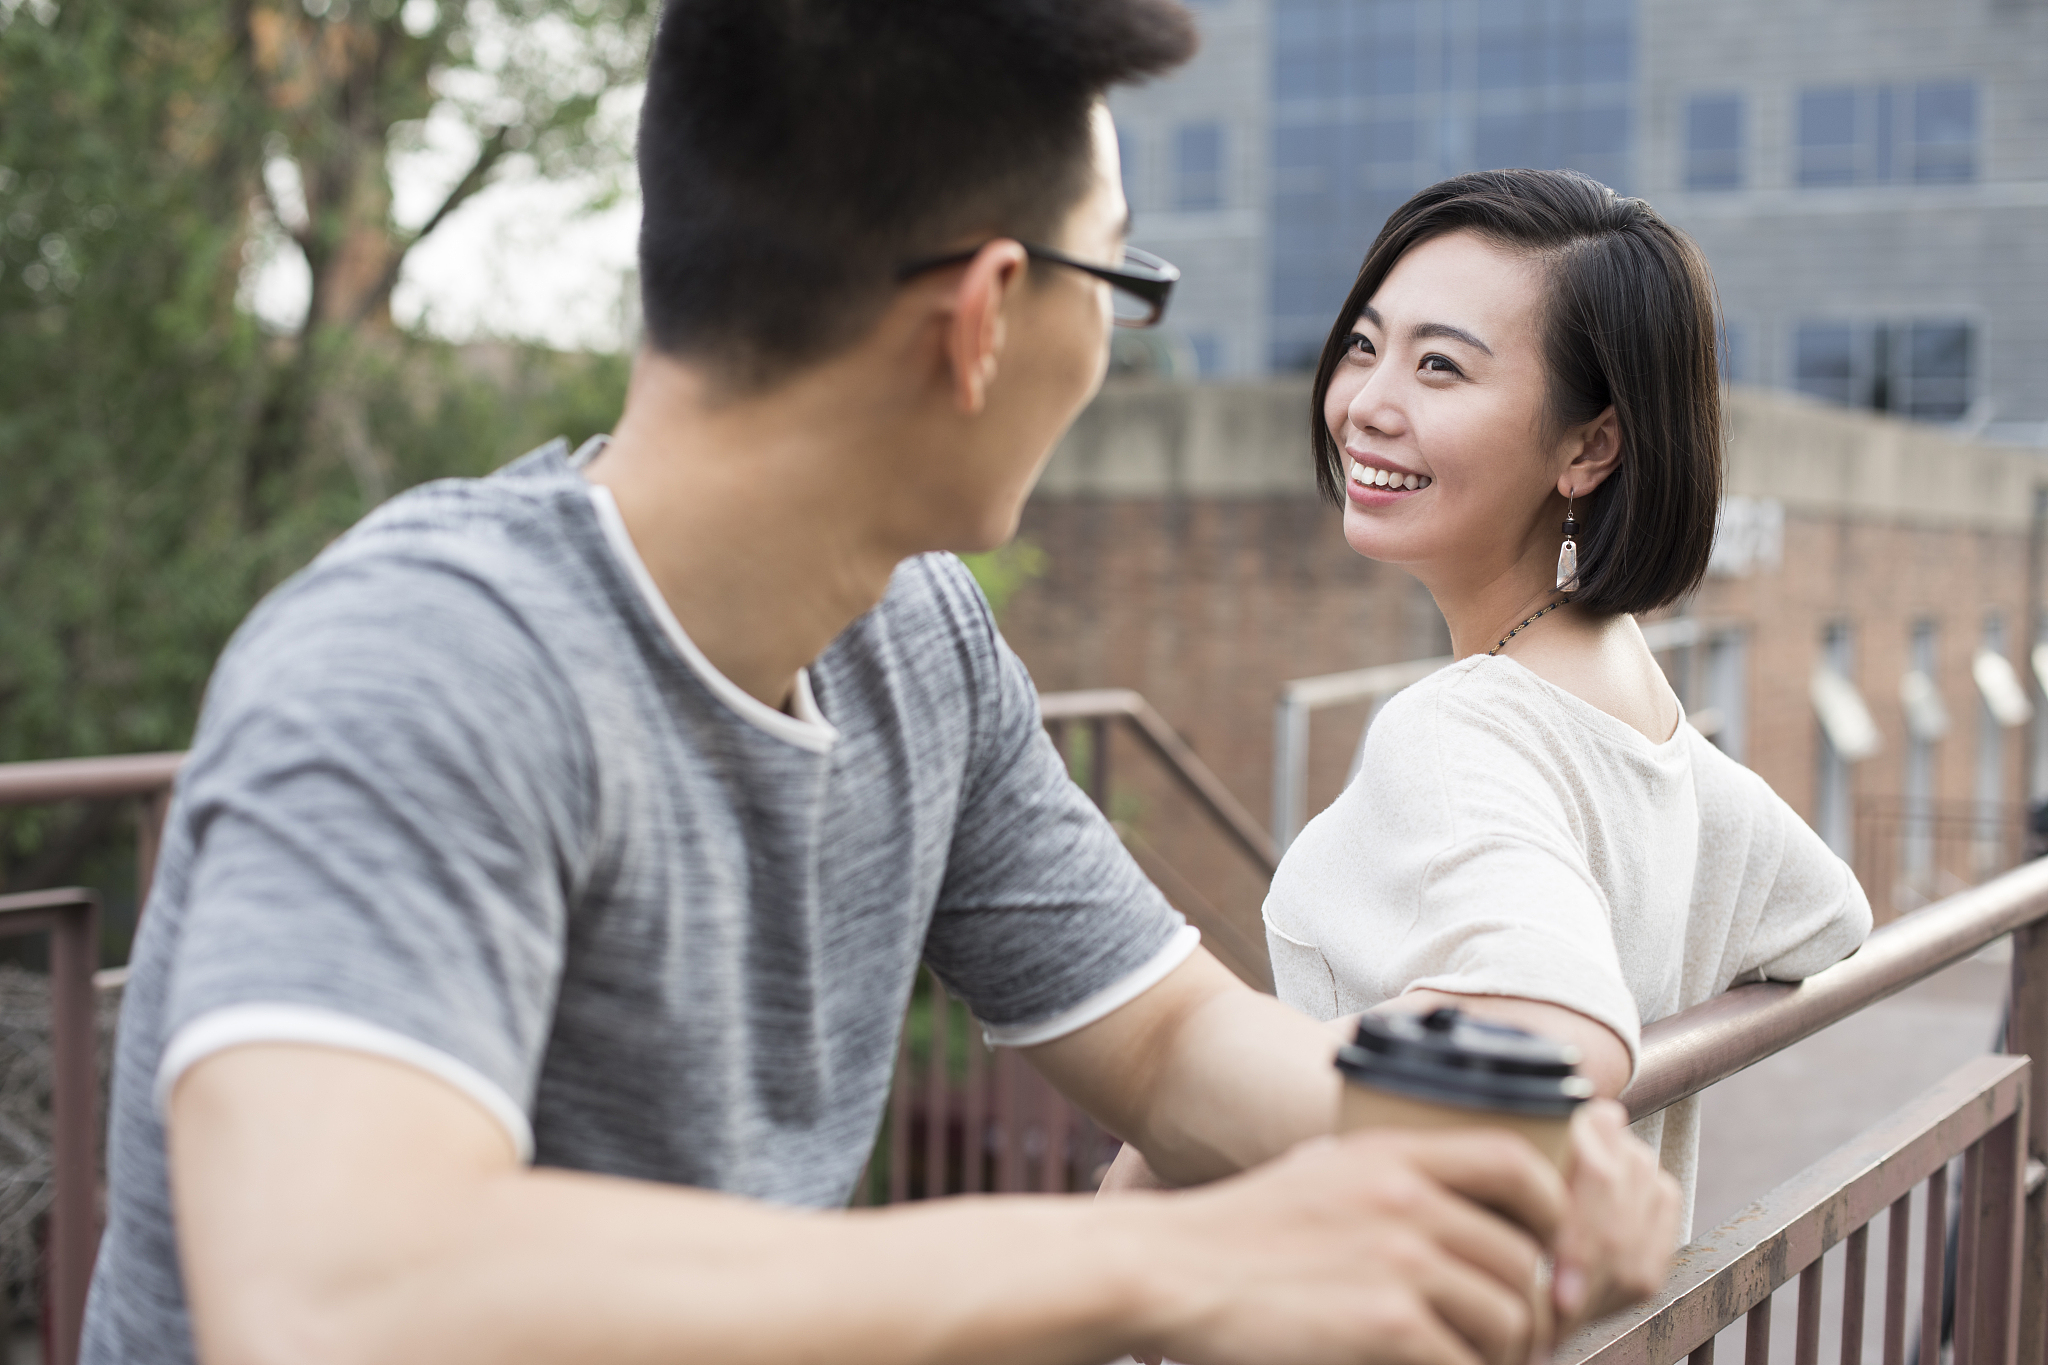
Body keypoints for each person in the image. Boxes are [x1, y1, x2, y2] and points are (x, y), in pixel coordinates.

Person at [82, 9, 1681, 1364]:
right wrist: (1174, 1269)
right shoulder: (419, 666)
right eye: (1117, 286)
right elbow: (331, 1295)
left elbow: (1173, 1045)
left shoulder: (914, 642)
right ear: (986, 317)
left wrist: (1503, 1162)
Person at [1256, 170, 1873, 1240]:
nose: (1365, 402)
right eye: (1364, 345)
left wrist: (1217, 1099)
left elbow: (1554, 1026)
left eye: (1438, 365)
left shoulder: (1459, 730)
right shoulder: (1639, 711)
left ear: (1587, 446)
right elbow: (1826, 917)